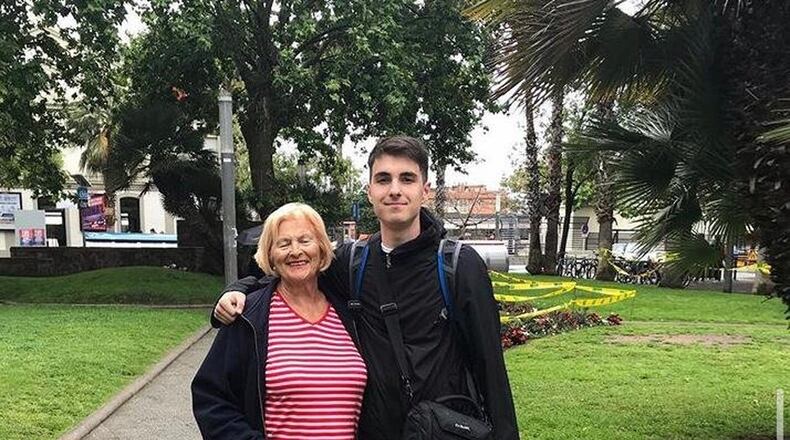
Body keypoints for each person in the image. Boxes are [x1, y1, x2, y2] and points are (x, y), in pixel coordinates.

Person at [213, 136, 519, 439]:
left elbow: (491, 373)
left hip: (440, 431)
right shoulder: (351, 263)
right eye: (383, 179)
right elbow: (294, 271)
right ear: (370, 191)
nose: (395, 190)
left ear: (424, 191)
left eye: (407, 179)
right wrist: (238, 289)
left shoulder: (458, 266)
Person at [192, 203, 367, 439]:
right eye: (284, 244)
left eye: (305, 241)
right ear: (270, 256)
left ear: (322, 249)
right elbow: (211, 398)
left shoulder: (350, 312)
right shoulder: (249, 316)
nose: (295, 251)